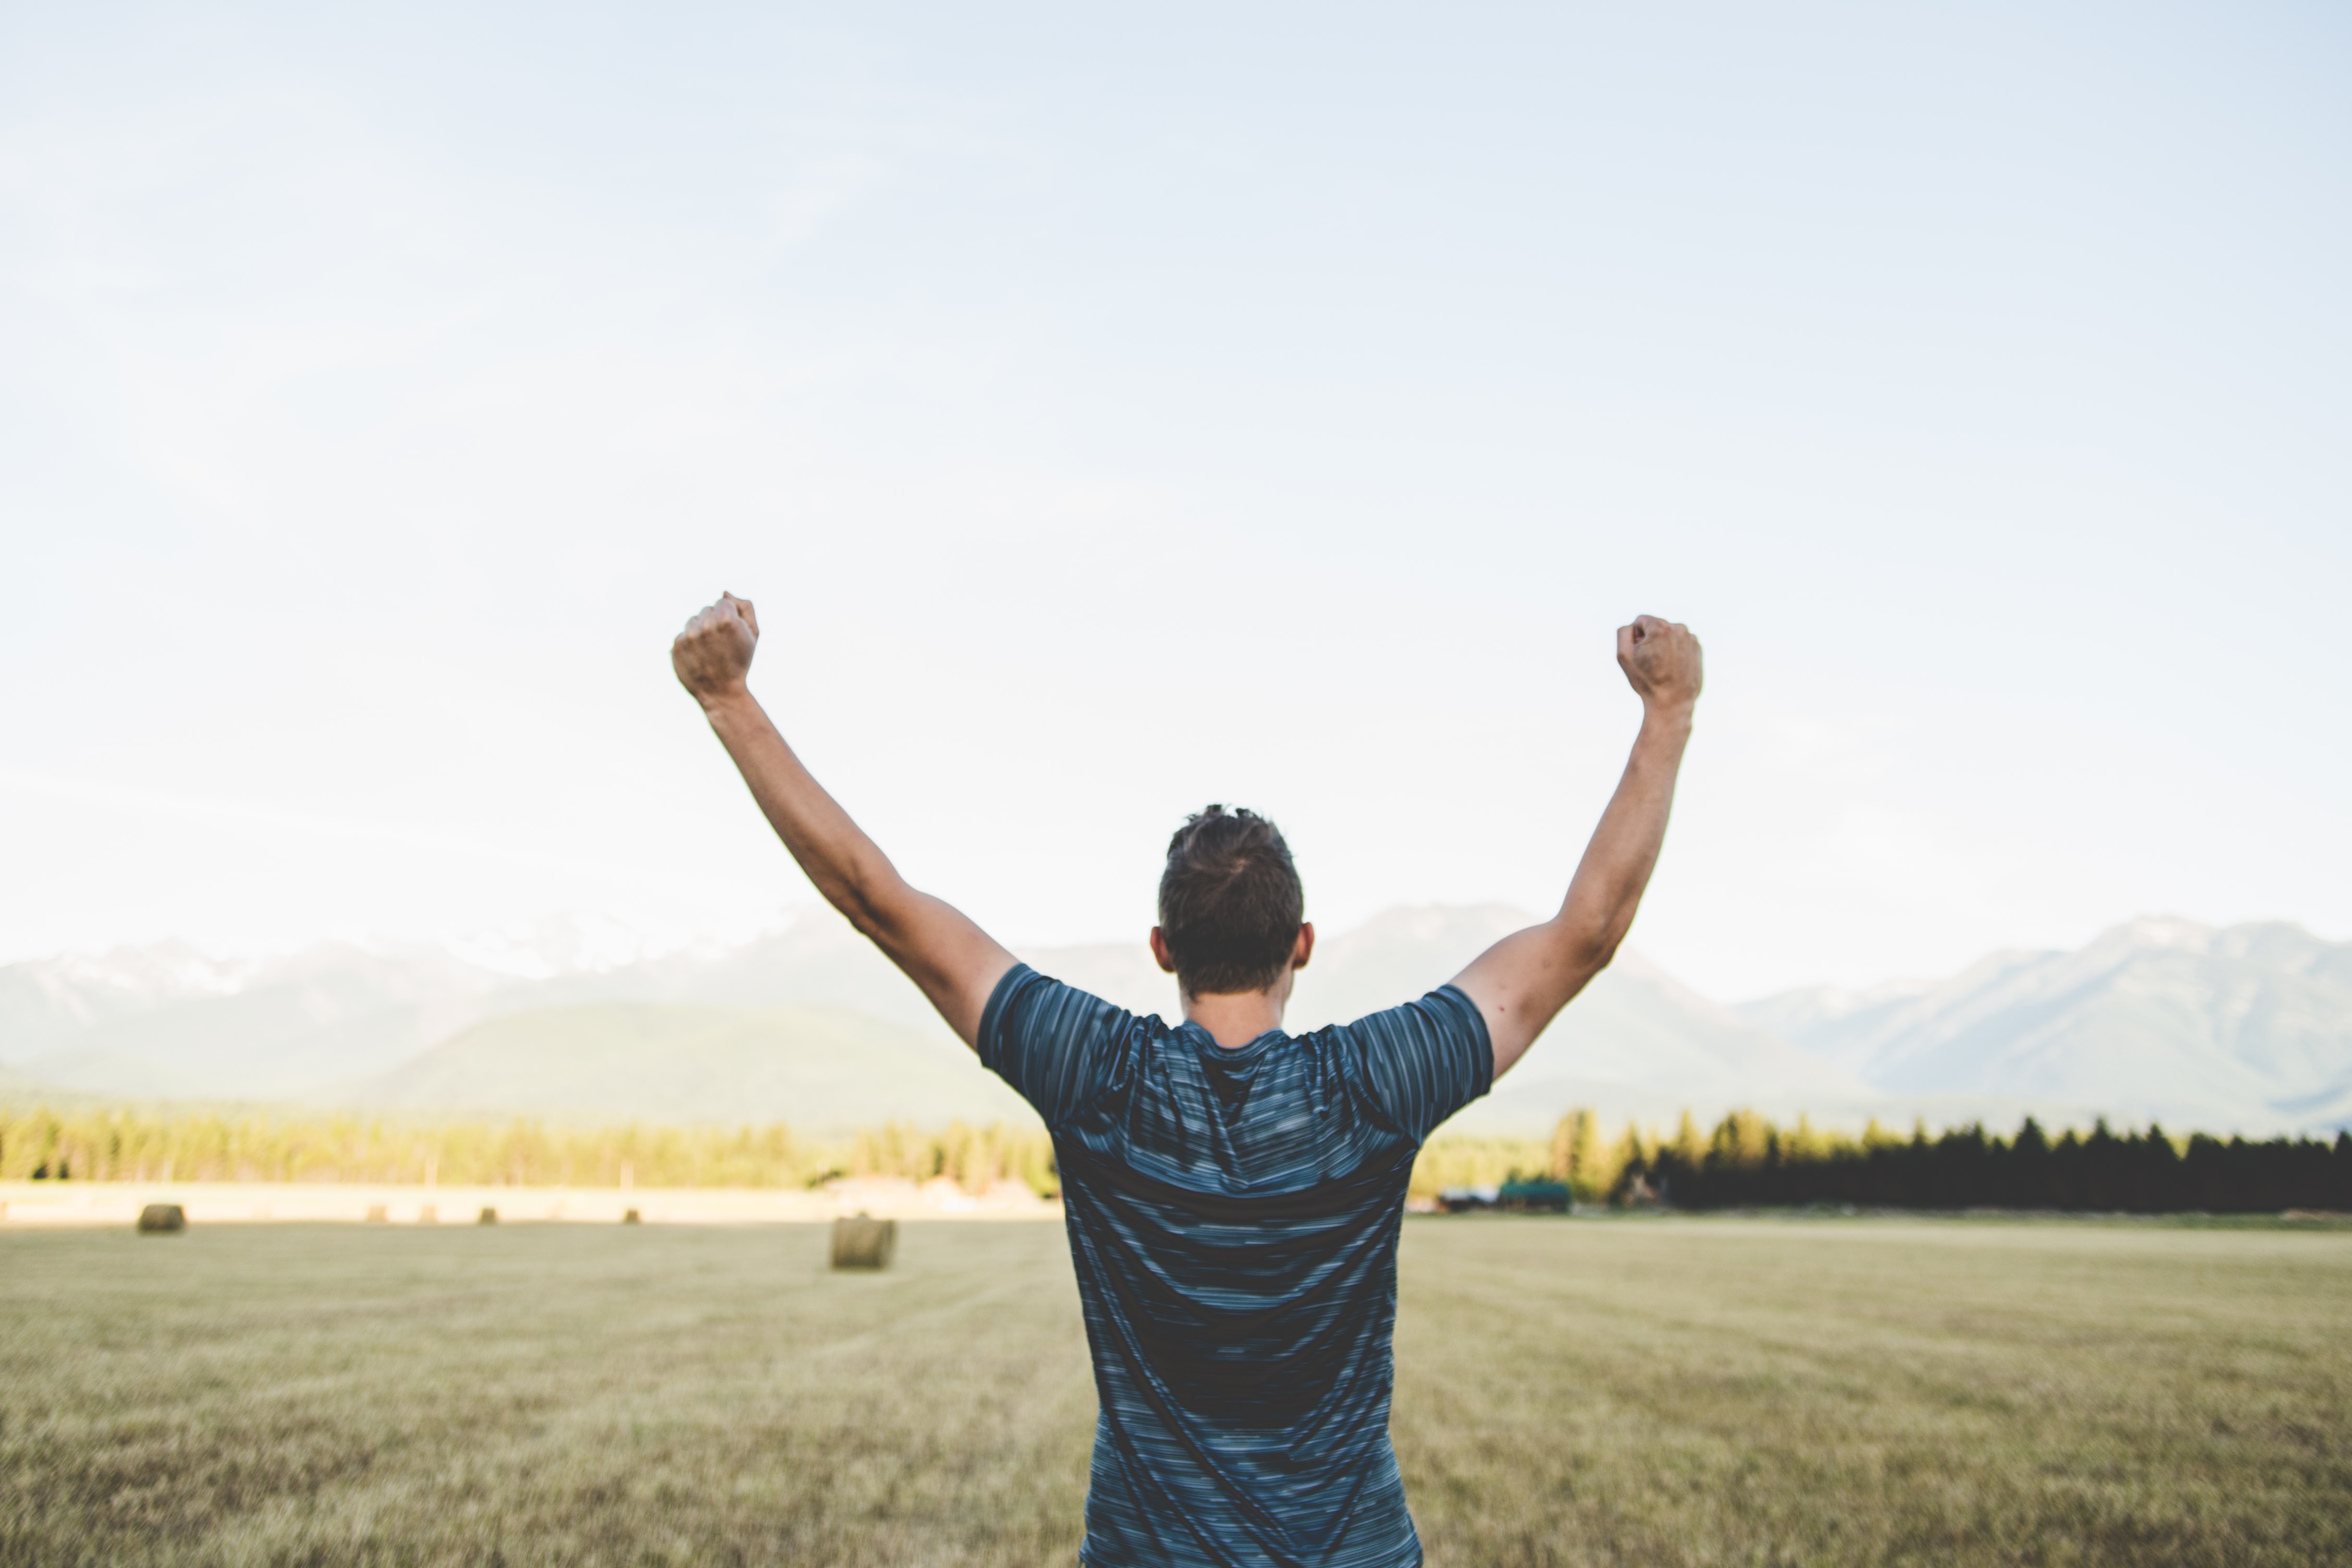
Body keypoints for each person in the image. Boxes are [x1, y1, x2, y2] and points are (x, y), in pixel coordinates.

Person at [671, 594, 1702, 1568]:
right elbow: (1587, 934)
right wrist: (1668, 710)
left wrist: (731, 701)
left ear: (1163, 946)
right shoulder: (1377, 1084)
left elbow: (877, 902)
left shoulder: (1097, 1075)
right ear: (1301, 941)